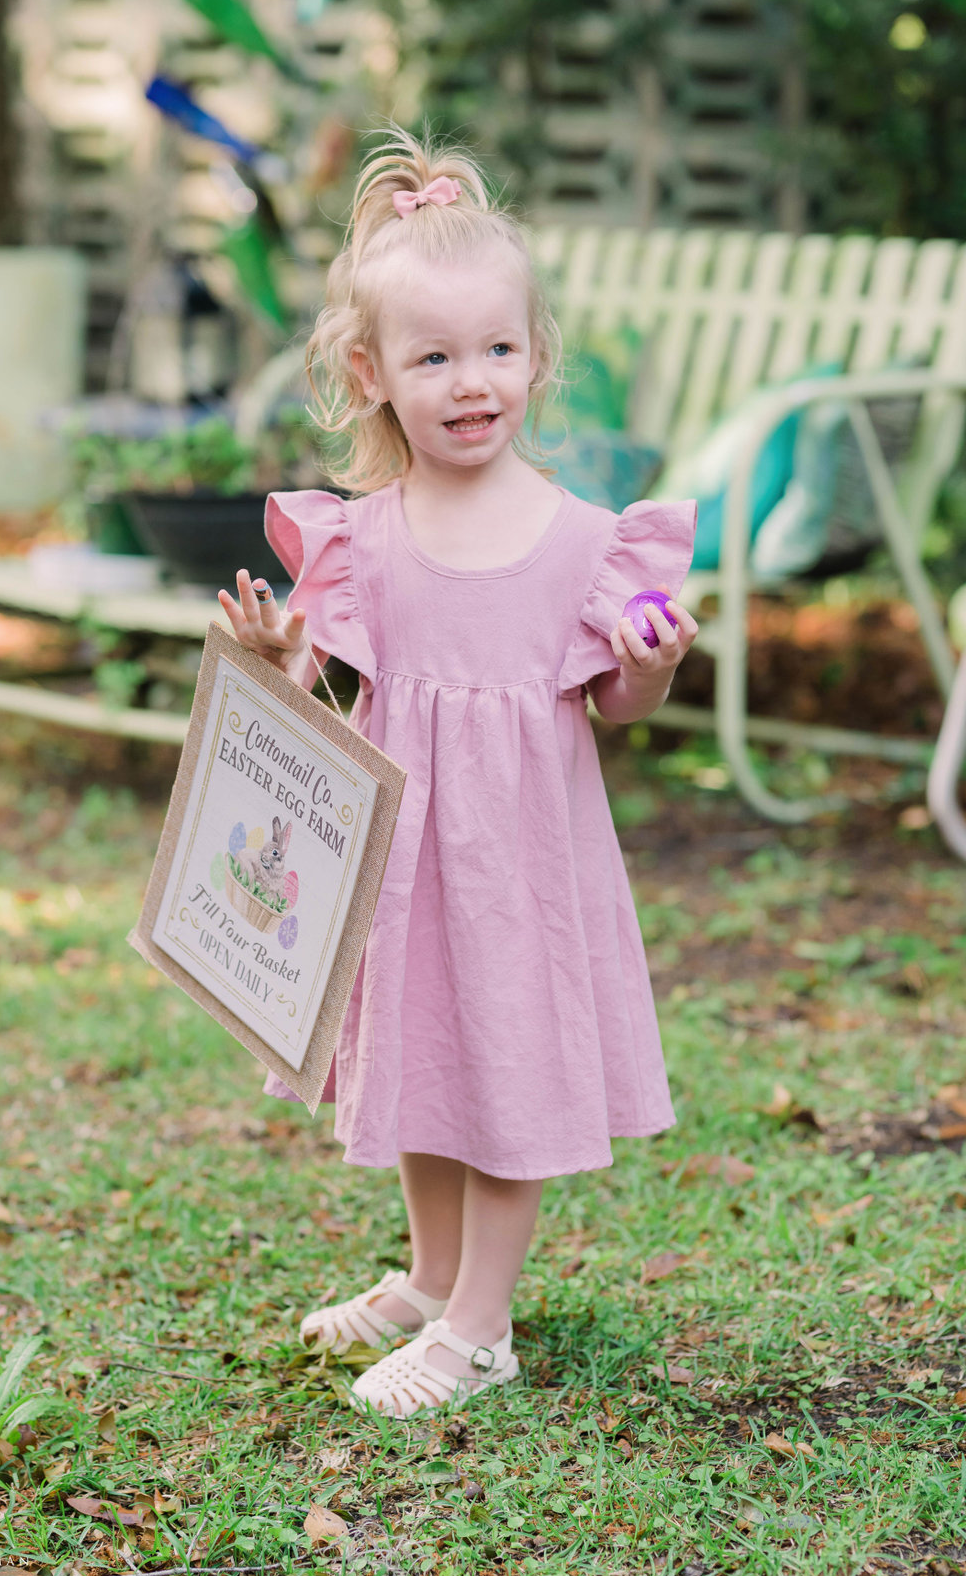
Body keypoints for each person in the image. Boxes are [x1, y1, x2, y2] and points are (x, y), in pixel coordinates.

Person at [217, 129, 698, 1419]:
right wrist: (272, 656)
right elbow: (316, 699)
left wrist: (651, 662)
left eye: (495, 350)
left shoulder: (589, 545)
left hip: (525, 867)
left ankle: (481, 1328)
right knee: (428, 1059)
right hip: (409, 865)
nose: (471, 382)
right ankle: (432, 1280)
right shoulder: (360, 541)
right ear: (373, 374)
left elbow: (616, 703)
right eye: (434, 358)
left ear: (537, 355)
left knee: (507, 1072)